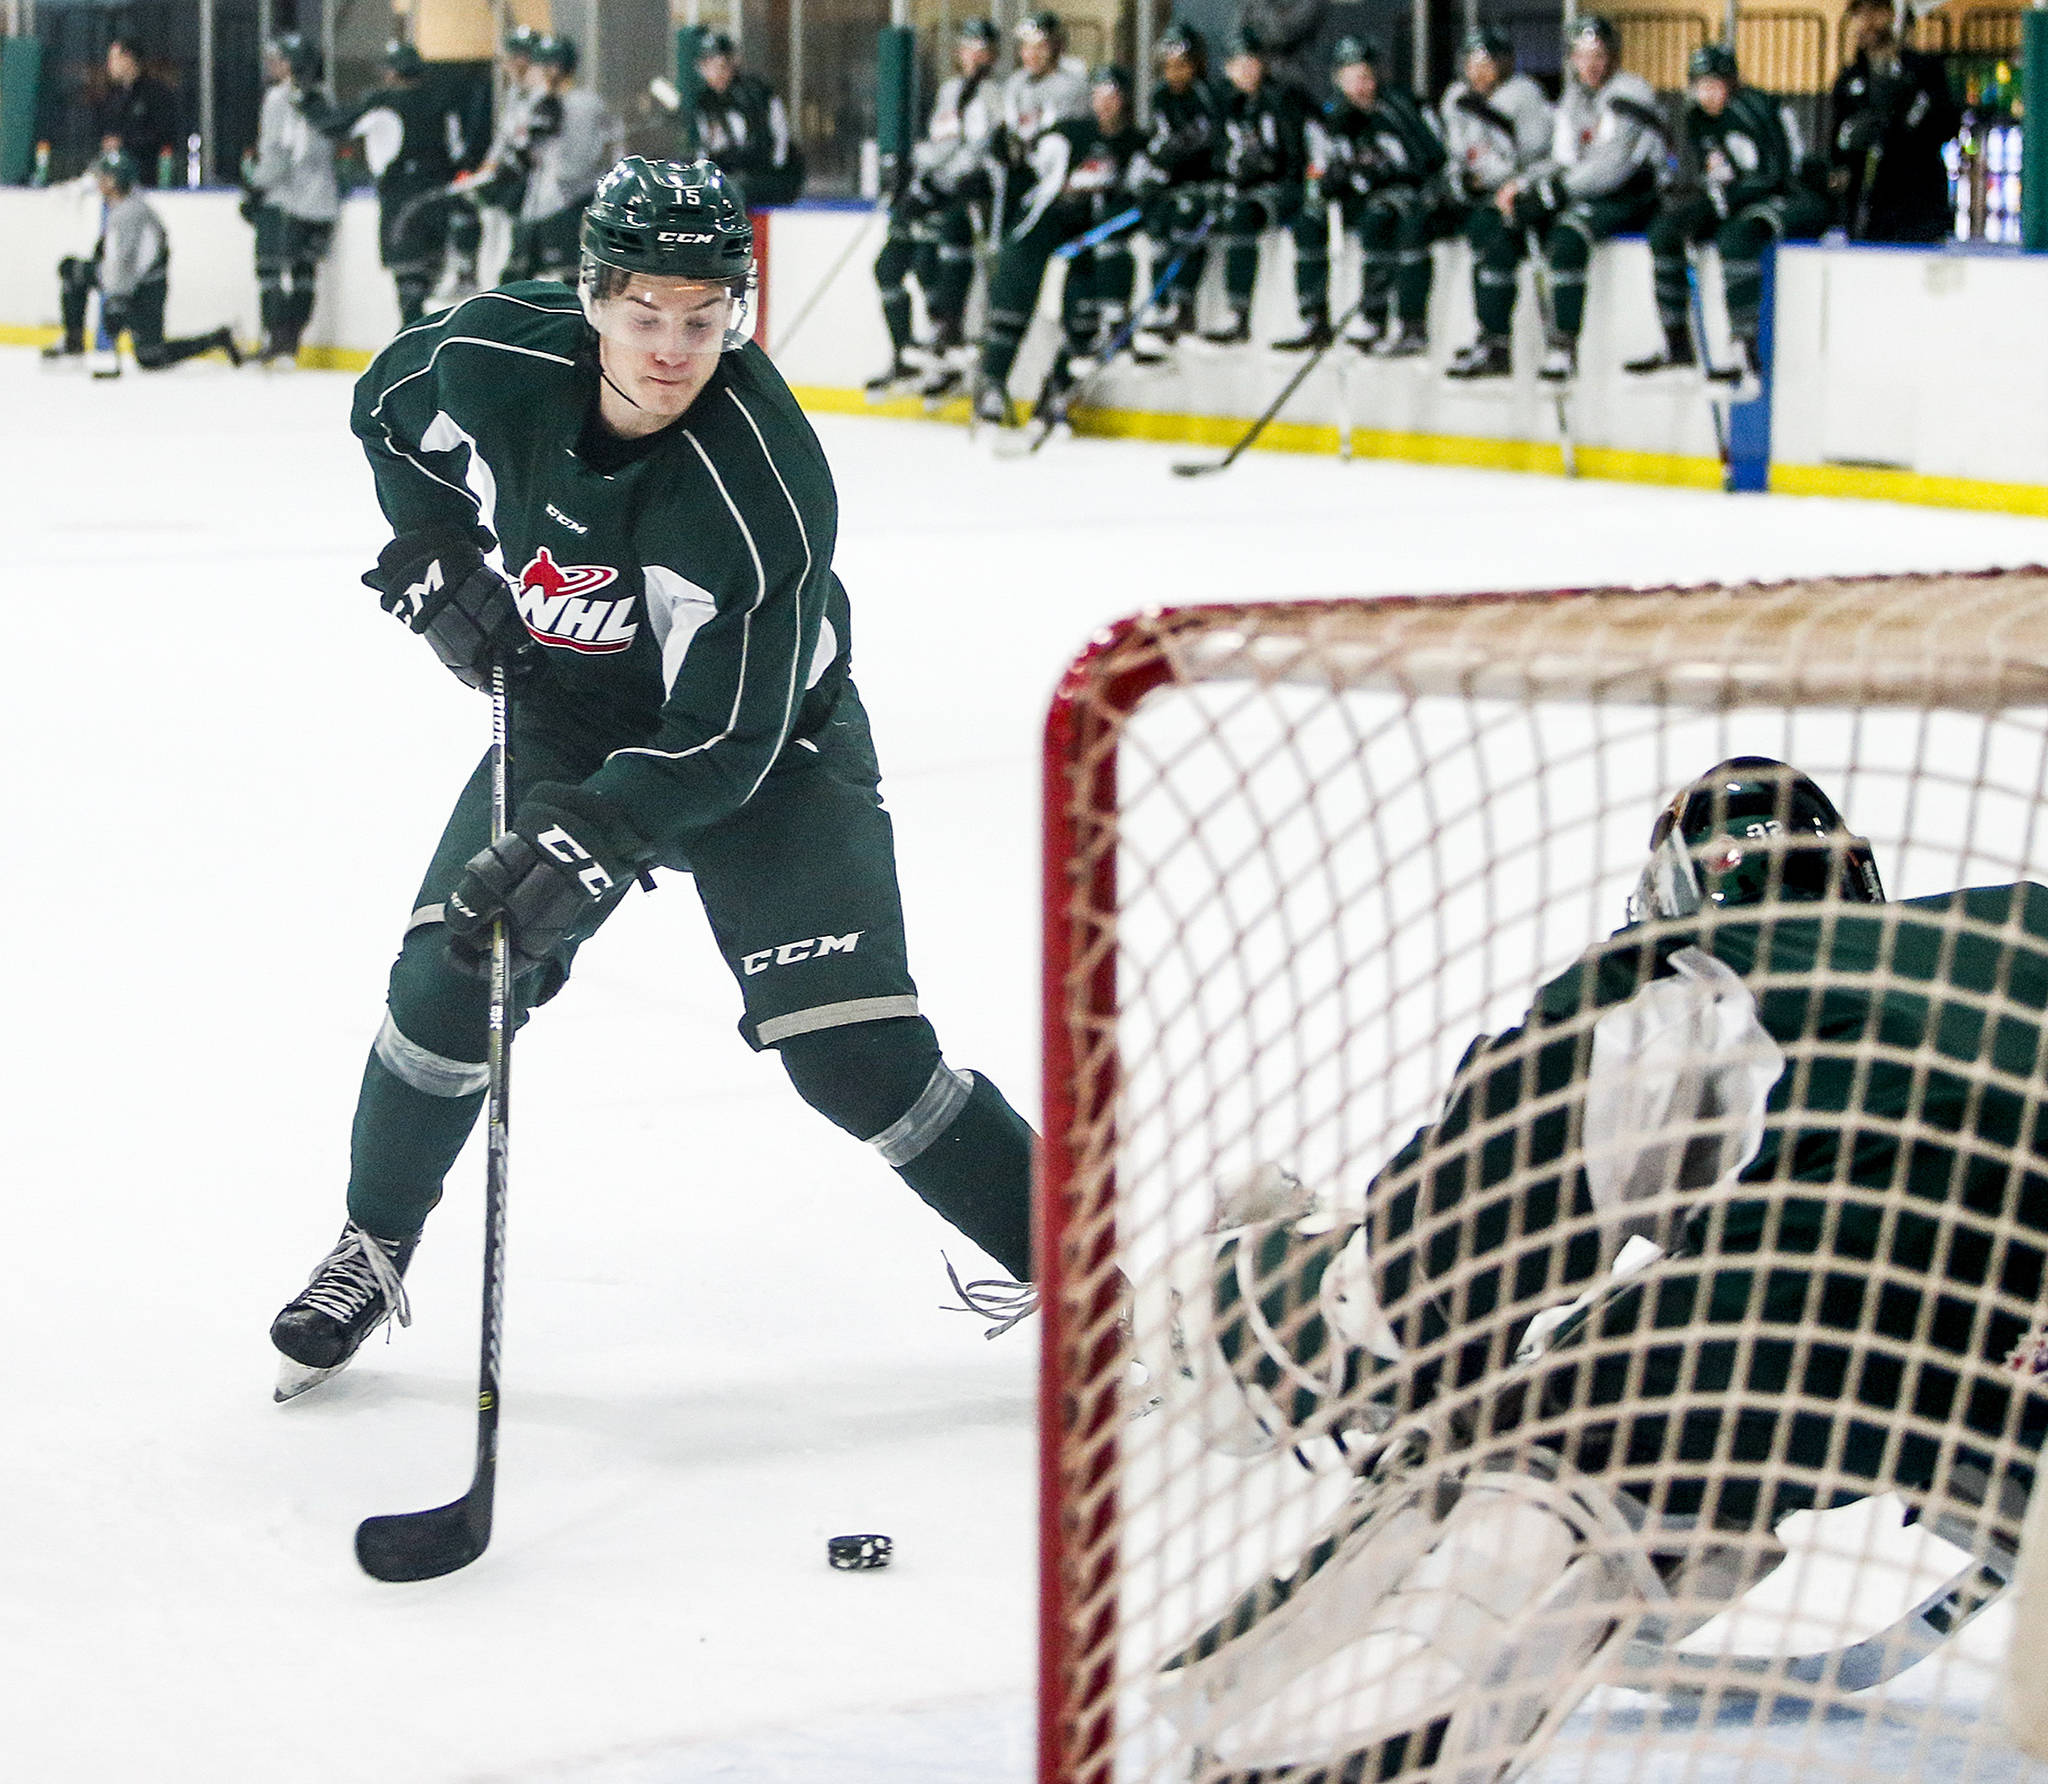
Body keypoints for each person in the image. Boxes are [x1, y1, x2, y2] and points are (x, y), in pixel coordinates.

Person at [267, 157, 1038, 1401]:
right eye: (645, 314)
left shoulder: (763, 482)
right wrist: (435, 553)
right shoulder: (495, 353)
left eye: (704, 315)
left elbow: (723, 739)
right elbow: (385, 408)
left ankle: (1102, 1273)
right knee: (448, 973)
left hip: (770, 751)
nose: (675, 347)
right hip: (570, 716)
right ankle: (371, 1240)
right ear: (590, 297)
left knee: (855, 1056)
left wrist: (584, 842)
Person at [1137, 757, 2048, 1777]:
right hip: (2002, 1356)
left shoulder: (1686, 967)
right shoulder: (2014, 924)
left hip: (1861, 1285)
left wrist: (1269, 1304)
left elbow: (1450, 1250)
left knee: (1543, 1461)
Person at [1457, 15, 1665, 384]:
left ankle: (1563, 346)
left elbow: (1612, 167)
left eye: (1598, 54)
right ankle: (1495, 343)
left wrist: (1556, 191)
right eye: (1582, 55)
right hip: (1589, 192)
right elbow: (1561, 157)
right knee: (1502, 231)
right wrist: (1523, 184)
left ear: (1613, 55)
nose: (1591, 64)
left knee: (1568, 236)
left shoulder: (1630, 92)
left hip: (1634, 195)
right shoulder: (1575, 97)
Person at [912, 10, 1088, 402]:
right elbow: (1009, 144)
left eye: (1040, 46)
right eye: (1026, 47)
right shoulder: (1015, 87)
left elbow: (1051, 149)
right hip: (1024, 198)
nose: (1032, 54)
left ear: (1056, 47)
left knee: (1024, 275)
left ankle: (1038, 384)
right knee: (952, 247)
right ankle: (971, 356)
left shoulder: (1069, 87)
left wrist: (1010, 154)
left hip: (1064, 202)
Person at [1628, 46, 1829, 386]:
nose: (1706, 93)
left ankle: (1744, 348)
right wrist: (1708, 197)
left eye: (1714, 84)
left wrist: (1726, 199)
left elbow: (1777, 172)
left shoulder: (1755, 108)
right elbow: (1716, 169)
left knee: (1736, 237)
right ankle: (1676, 343)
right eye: (1699, 84)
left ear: (1731, 83)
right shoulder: (1697, 116)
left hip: (1793, 195)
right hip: (1741, 194)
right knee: (1665, 230)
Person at [974, 63, 1148, 425]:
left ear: (1125, 99)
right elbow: (1033, 164)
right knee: (1012, 295)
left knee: (1083, 317)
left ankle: (1056, 393)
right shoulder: (1070, 133)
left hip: (1092, 237)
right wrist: (1012, 153)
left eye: (1112, 94)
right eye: (1098, 94)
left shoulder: (1135, 143)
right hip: (1046, 221)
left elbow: (1139, 190)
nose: (1105, 103)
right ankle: (991, 384)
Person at [1285, 36, 1447, 356]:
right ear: (1338, 79)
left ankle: (1397, 321)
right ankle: (1315, 316)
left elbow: (1431, 159)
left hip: (1408, 195)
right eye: (1351, 77)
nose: (1360, 85)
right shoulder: (1334, 117)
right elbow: (1322, 170)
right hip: (1364, 198)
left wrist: (1384, 171)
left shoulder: (1398, 106)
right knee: (1309, 221)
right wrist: (1334, 178)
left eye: (1365, 76)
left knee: (1386, 222)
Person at [867, 18, 1004, 396]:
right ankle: (905, 352)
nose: (973, 55)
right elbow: (941, 143)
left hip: (961, 198)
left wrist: (933, 182)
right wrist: (910, 168)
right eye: (967, 46)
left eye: (981, 47)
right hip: (933, 192)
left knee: (931, 263)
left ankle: (945, 341)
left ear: (992, 55)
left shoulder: (992, 96)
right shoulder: (950, 91)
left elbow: (975, 152)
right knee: (887, 266)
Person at [42, 149, 240, 373]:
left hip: (145, 288)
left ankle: (217, 339)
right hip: (135, 282)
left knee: (151, 356)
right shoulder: (124, 206)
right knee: (71, 269)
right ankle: (73, 343)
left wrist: (117, 298)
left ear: (117, 181)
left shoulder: (129, 213)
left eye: (104, 177)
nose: (99, 182)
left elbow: (126, 263)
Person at [1438, 27, 1554, 382]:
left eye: (1487, 63)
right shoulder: (1457, 97)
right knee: (1473, 234)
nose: (1479, 71)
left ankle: (1498, 343)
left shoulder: (1525, 96)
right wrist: (1458, 178)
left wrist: (1519, 184)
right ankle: (1489, 337)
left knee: (1495, 245)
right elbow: (1458, 153)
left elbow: (1542, 158)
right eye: (1473, 63)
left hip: (1522, 198)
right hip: (1483, 199)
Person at [340, 41, 476, 328]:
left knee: (409, 281)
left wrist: (306, 101)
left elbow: (339, 125)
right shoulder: (443, 102)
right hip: (439, 195)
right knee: (430, 276)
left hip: (401, 199)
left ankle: (414, 341)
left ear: (392, 73)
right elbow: (458, 153)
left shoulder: (383, 102)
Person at [1201, 29, 1312, 348]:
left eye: (1252, 62)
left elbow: (1295, 158)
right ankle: (1179, 308)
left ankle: (1240, 314)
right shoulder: (1221, 103)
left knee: (1241, 215)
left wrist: (1267, 166)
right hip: (1240, 189)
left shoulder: (1281, 100)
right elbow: (1214, 153)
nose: (1247, 70)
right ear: (1227, 68)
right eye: (1239, 64)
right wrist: (1230, 168)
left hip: (1280, 189)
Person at [1128, 20, 1224, 364]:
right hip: (1175, 182)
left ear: (1196, 65)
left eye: (1181, 66)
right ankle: (1162, 303)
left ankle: (1183, 305)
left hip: (1205, 182)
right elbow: (1160, 141)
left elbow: (1203, 143)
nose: (1173, 74)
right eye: (1167, 67)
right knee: (1157, 223)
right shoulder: (1159, 96)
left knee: (1185, 218)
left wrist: (1169, 156)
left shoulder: (1206, 96)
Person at [244, 31, 340, 366]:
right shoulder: (324, 95)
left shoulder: (279, 99)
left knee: (270, 270)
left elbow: (278, 154)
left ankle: (277, 341)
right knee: (303, 272)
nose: (272, 65)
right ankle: (291, 341)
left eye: (279, 59)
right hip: (322, 199)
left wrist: (255, 187)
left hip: (285, 200)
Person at [1830, 0, 1960, 243]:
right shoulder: (1849, 80)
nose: (1866, 23)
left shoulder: (1924, 71)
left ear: (1890, 15)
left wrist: (1910, 113)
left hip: (1920, 208)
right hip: (1869, 214)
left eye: (1873, 13)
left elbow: (1947, 125)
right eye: (1859, 15)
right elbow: (1837, 146)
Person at [505, 35, 625, 284]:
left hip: (569, 206)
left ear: (553, 69)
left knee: (569, 284)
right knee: (515, 279)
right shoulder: (541, 103)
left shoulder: (581, 104)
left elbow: (575, 166)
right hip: (543, 207)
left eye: (537, 66)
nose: (531, 72)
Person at [689, 30, 805, 211]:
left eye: (721, 65)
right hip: (733, 176)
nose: (715, 73)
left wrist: (765, 169)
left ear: (732, 64)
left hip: (770, 176)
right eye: (708, 66)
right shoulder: (705, 103)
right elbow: (707, 149)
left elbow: (778, 140)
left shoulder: (756, 93)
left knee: (731, 191)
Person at [93, 37, 179, 185]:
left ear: (128, 59)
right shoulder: (113, 97)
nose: (109, 65)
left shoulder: (155, 94)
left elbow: (162, 133)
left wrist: (124, 142)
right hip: (116, 176)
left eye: (114, 59)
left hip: (148, 177)